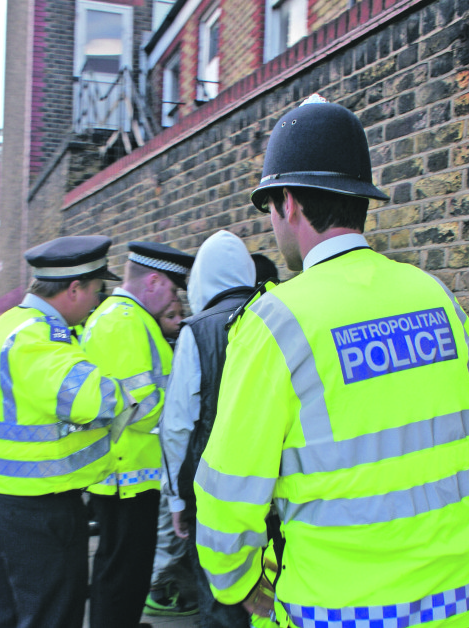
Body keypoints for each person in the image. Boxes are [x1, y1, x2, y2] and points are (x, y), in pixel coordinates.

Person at [194, 95, 469, 628]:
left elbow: (229, 488)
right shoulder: (434, 296)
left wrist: (236, 584)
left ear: (288, 203)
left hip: (343, 609)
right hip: (461, 596)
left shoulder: (276, 321)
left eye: (269, 208)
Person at [0, 235, 135, 628]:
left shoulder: (8, 323)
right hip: (38, 506)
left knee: (10, 609)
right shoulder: (40, 337)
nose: (97, 301)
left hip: (1, 495)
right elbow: (98, 400)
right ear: (74, 287)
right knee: (52, 615)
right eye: (97, 290)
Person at [81, 241, 195, 628]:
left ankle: (121, 620)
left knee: (120, 564)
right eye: (173, 288)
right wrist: (185, 407)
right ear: (153, 280)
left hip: (123, 469)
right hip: (127, 473)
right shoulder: (126, 321)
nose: (174, 299)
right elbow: (138, 406)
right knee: (123, 568)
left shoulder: (119, 315)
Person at [160, 230, 256, 627]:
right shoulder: (279, 314)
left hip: (213, 492)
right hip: (274, 488)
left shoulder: (196, 331)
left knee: (219, 596)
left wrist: (178, 501)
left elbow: (177, 426)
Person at [145, 296, 198, 619]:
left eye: (181, 314)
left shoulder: (180, 342)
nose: (177, 320)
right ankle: (158, 589)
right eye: (170, 315)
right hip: (160, 454)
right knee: (167, 528)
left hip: (165, 455)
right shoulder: (168, 347)